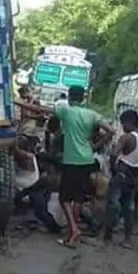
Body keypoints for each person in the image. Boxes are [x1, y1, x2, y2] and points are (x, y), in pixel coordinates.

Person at [17, 86, 113, 248]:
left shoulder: (67, 112)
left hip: (72, 161)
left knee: (64, 198)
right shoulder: (92, 114)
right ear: (83, 98)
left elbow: (39, 109)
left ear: (69, 98)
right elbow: (111, 130)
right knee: (78, 199)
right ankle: (73, 235)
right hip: (87, 160)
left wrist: (16, 101)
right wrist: (95, 146)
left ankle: (74, 230)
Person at [104, 109, 138, 248]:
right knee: (127, 207)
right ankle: (127, 239)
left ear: (129, 123)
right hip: (133, 178)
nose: (122, 127)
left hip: (121, 175)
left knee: (112, 204)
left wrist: (113, 169)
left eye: (123, 123)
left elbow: (113, 154)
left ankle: (107, 235)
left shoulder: (127, 138)